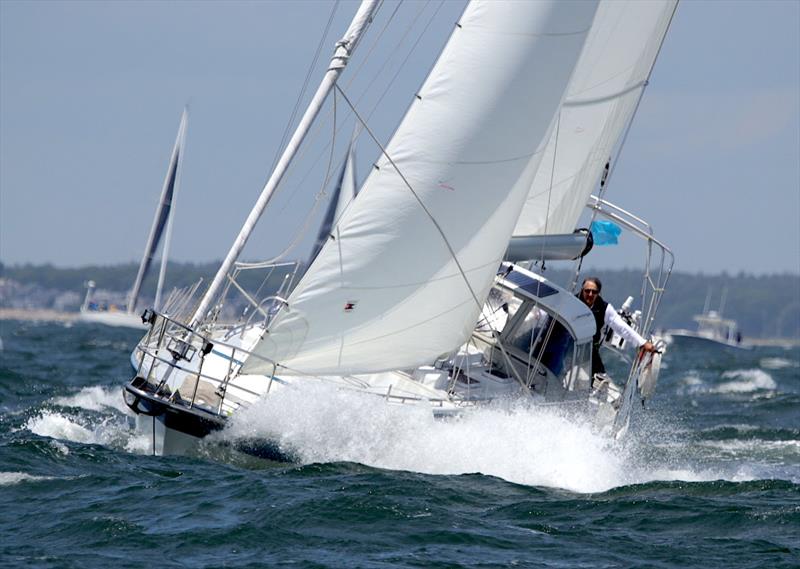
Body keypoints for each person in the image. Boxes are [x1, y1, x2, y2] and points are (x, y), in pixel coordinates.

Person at [578, 277, 656, 379]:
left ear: (599, 293)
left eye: (594, 292)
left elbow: (621, 327)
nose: (590, 294)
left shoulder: (604, 308)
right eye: (587, 291)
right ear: (582, 290)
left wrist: (642, 343)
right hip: (570, 349)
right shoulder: (573, 303)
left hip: (590, 351)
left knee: (600, 377)